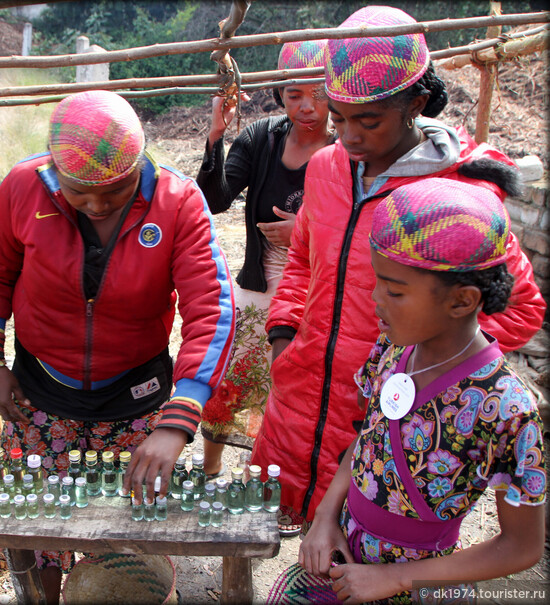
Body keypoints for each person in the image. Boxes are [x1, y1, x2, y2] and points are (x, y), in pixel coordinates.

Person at [253, 5, 546, 535]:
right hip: (298, 398)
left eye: (369, 121)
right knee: (301, 539)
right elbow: (302, 258)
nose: (349, 137)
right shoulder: (326, 169)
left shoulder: (459, 198)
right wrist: (284, 335)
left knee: (364, 552)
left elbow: (519, 306)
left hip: (388, 419)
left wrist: (426, 370)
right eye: (338, 118)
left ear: (415, 102)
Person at [0, 89, 234, 602]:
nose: (95, 206)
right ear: (53, 170)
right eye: (79, 193)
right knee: (39, 529)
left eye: (114, 192)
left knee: (131, 534)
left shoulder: (177, 202)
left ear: (140, 163)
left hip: (137, 398)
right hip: (40, 396)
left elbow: (212, 310)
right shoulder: (24, 187)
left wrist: (177, 422)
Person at [269, 178, 545, 604]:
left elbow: (521, 548)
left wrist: (395, 580)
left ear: (462, 301)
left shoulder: (507, 410)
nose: (376, 298)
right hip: (345, 557)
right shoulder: (393, 347)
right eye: (379, 281)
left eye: (395, 291)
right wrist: (325, 517)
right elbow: (366, 440)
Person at [195, 39, 334, 516]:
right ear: (280, 94)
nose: (307, 106)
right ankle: (209, 474)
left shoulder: (347, 150)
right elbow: (216, 199)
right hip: (257, 289)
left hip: (315, 294)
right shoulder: (262, 139)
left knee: (295, 394)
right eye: (294, 94)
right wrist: (215, 136)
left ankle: (269, 485)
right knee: (230, 382)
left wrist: (307, 229)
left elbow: (363, 224)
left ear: (338, 93)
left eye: (318, 93)